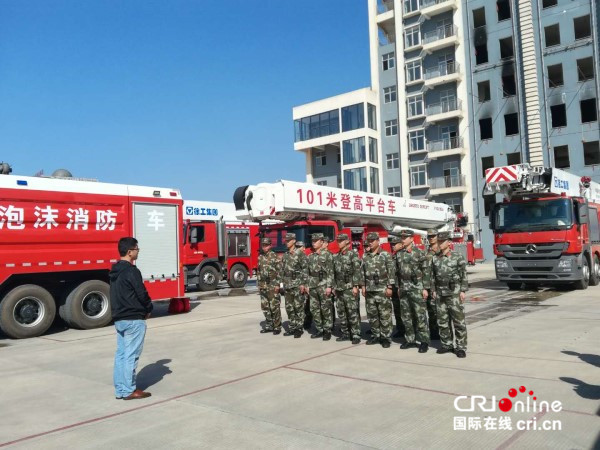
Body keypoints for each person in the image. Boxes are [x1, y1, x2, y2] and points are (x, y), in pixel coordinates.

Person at [110, 237, 153, 400]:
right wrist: (149, 308)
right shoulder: (131, 271)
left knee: (121, 354)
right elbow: (141, 293)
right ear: (129, 252)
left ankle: (120, 389)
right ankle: (129, 390)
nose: (138, 251)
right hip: (133, 319)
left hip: (120, 318)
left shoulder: (114, 271)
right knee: (131, 355)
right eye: (137, 249)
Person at [431, 231, 469, 358]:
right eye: (439, 242)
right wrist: (433, 290)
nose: (440, 244)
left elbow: (463, 274)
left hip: (454, 294)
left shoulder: (457, 257)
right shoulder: (435, 258)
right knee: (442, 321)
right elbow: (432, 276)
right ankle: (447, 344)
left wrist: (463, 291)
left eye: (442, 242)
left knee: (458, 321)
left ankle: (461, 347)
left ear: (449, 242)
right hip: (440, 294)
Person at [396, 229, 430, 353]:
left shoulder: (420, 253)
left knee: (420, 315)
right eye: (402, 237)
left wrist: (425, 288)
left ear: (411, 239)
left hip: (417, 287)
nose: (402, 239)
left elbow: (426, 272)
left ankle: (424, 341)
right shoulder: (399, 254)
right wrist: (399, 287)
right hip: (404, 287)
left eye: (405, 237)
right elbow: (397, 272)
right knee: (406, 315)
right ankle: (410, 339)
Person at [360, 232, 396, 348]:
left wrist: (390, 287)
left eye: (372, 240)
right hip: (370, 289)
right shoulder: (365, 256)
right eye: (369, 240)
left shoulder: (385, 255)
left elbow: (391, 271)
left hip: (382, 288)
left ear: (377, 241)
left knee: (384, 314)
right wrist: (363, 286)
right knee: (372, 314)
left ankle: (386, 337)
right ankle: (376, 335)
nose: (370, 242)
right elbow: (362, 272)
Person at [332, 233, 362, 344]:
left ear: (347, 242)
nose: (339, 243)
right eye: (338, 241)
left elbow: (357, 271)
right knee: (341, 312)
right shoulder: (336, 256)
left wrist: (355, 286)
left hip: (349, 288)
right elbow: (333, 273)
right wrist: (334, 286)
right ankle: (345, 333)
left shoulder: (353, 255)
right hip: (339, 288)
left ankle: (356, 334)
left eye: (341, 241)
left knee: (352, 312)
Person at [306, 233, 335, 340]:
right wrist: (307, 285)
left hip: (323, 285)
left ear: (322, 242)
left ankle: (327, 330)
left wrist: (329, 286)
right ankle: (319, 329)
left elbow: (331, 272)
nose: (314, 243)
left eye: (316, 241)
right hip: (313, 285)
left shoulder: (328, 255)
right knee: (314, 309)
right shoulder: (310, 256)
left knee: (325, 308)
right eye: (313, 241)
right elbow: (307, 272)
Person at [281, 232, 308, 338]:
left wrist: (303, 284)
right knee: (289, 308)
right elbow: (283, 271)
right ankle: (292, 327)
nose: (287, 243)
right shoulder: (286, 255)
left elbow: (305, 269)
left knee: (298, 307)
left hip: (297, 285)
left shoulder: (300, 254)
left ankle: (299, 328)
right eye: (286, 241)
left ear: (293, 241)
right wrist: (282, 284)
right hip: (288, 285)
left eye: (288, 241)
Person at [257, 237, 282, 334]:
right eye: (263, 245)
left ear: (270, 245)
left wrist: (277, 285)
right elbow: (258, 271)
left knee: (274, 306)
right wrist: (259, 284)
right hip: (263, 284)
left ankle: (277, 326)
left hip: (272, 284)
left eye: (266, 245)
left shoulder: (274, 256)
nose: (264, 247)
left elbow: (279, 272)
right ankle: (269, 325)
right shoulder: (260, 257)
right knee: (265, 306)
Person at [423, 229, 442, 340]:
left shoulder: (442, 251)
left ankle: (444, 333)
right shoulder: (427, 252)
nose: (431, 238)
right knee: (431, 311)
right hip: (430, 286)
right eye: (429, 236)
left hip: (441, 286)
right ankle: (434, 333)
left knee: (442, 312)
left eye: (433, 236)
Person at [388, 235, 406, 340]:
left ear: (401, 244)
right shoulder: (393, 256)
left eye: (395, 244)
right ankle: (400, 329)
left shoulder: (403, 255)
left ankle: (410, 330)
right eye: (392, 244)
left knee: (406, 311)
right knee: (397, 310)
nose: (393, 246)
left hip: (403, 287)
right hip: (394, 288)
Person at [296, 240, 313, 330]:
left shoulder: (307, 258)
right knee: (299, 304)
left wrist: (306, 285)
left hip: (307, 284)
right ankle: (301, 321)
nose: (299, 249)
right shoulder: (295, 258)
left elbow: (308, 272)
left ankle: (308, 322)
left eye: (300, 247)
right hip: (298, 284)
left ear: (304, 248)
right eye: (297, 247)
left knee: (307, 304)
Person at [322, 236, 336, 329]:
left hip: (329, 283)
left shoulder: (330, 255)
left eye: (323, 242)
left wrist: (332, 286)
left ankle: (331, 323)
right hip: (321, 284)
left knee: (329, 305)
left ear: (326, 244)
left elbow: (332, 272)